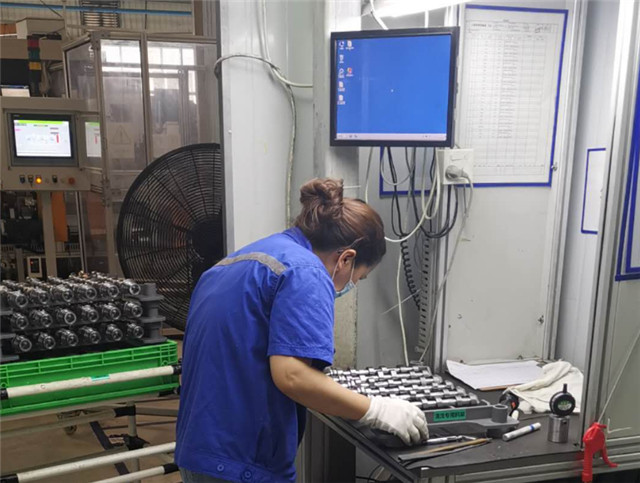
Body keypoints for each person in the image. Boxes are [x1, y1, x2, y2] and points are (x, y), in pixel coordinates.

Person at [175, 178, 429, 483]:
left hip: (200, 450)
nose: (352, 285)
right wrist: (375, 409)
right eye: (358, 277)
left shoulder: (239, 261)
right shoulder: (306, 271)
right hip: (240, 462)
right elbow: (292, 376)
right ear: (346, 258)